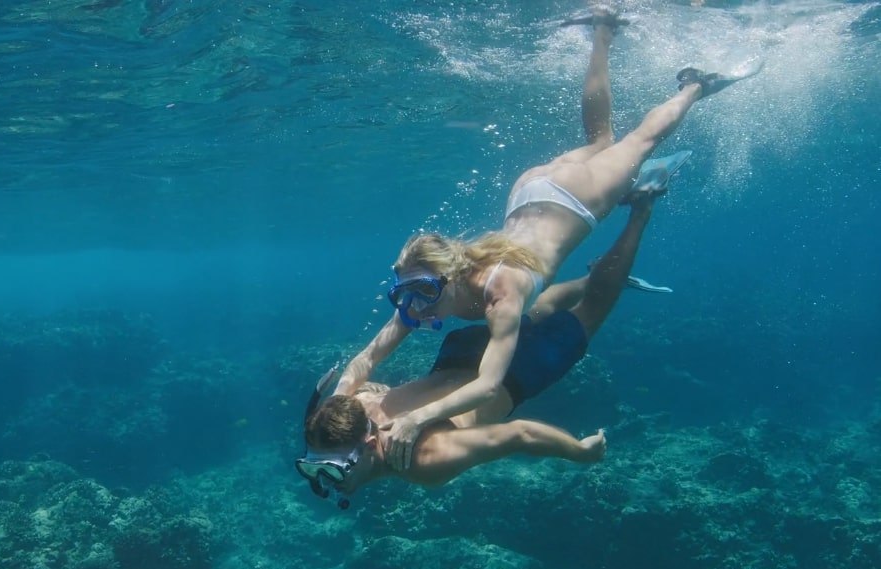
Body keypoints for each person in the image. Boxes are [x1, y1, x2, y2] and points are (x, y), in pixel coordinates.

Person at [332, 8, 758, 471]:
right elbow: (368, 357)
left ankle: (696, 86)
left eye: (425, 294)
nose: (416, 308)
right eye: (407, 296)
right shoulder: (428, 297)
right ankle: (603, 29)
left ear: (451, 277)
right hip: (530, 193)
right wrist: (340, 396)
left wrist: (417, 419)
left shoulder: (502, 294)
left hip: (574, 200)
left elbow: (489, 386)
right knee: (601, 141)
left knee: (640, 140)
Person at [297, 186, 663, 504]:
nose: (326, 484)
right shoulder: (351, 412)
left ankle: (639, 212)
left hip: (515, 375)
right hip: (460, 352)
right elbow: (368, 374)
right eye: (316, 470)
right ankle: (590, 276)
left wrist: (579, 452)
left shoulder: (425, 462)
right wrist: (344, 394)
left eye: (332, 470)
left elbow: (521, 434)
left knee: (594, 308)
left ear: (363, 446)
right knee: (532, 311)